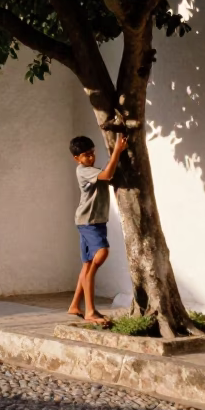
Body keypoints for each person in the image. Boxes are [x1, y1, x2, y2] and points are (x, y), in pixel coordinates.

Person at [67, 133, 128, 325]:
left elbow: (109, 175)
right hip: (88, 222)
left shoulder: (93, 170)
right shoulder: (83, 171)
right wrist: (117, 150)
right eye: (86, 155)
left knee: (87, 265)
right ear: (77, 158)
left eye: (92, 153)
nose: (91, 157)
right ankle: (90, 311)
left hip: (94, 221)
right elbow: (108, 175)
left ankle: (75, 305)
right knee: (101, 253)